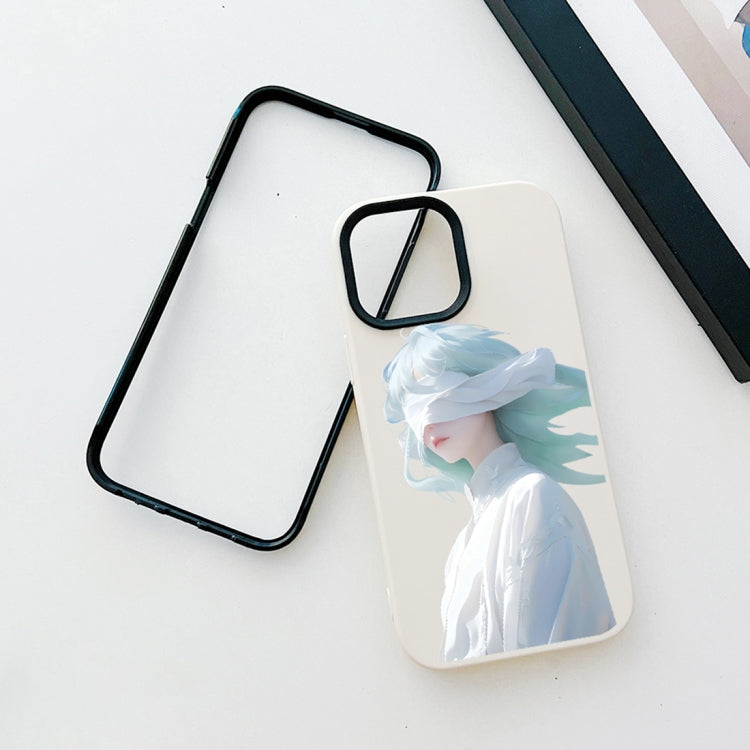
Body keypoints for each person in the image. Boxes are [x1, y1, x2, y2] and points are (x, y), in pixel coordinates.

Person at [383, 324, 614, 662]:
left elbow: (560, 661)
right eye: (413, 409)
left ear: (487, 386)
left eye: (437, 395)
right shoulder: (461, 547)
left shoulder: (531, 497)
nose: (426, 424)